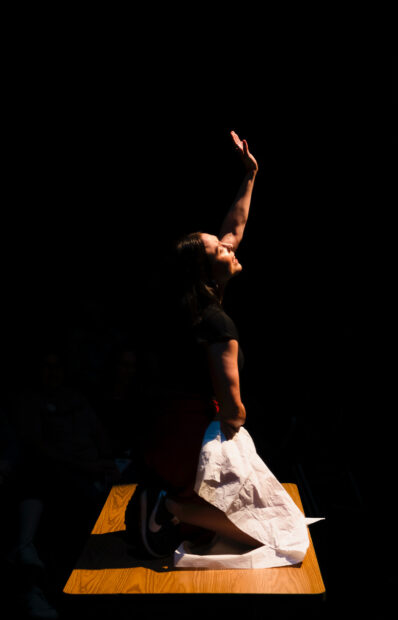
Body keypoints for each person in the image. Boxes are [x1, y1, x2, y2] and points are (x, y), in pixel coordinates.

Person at [126, 130, 262, 557]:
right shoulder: (216, 321)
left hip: (162, 428)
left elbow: (234, 227)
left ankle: (175, 505)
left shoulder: (191, 304)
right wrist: (233, 458)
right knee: (266, 536)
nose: (229, 245)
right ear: (207, 271)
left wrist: (251, 175)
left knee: (246, 522)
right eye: (219, 249)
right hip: (188, 435)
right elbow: (234, 408)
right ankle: (170, 507)